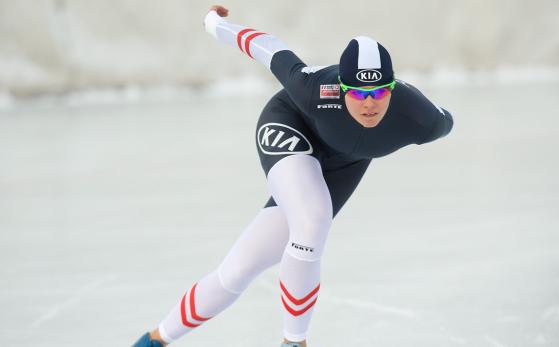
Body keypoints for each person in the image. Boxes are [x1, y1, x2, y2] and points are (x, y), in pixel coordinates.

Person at [132, 4, 453, 347]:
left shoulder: (421, 118)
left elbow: (446, 119)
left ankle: (153, 341)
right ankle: (294, 343)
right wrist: (214, 24)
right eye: (358, 93)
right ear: (342, 87)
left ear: (392, 88)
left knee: (238, 270)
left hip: (344, 164)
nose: (369, 103)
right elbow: (266, 46)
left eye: (379, 92)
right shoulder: (313, 88)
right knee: (313, 219)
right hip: (291, 125)